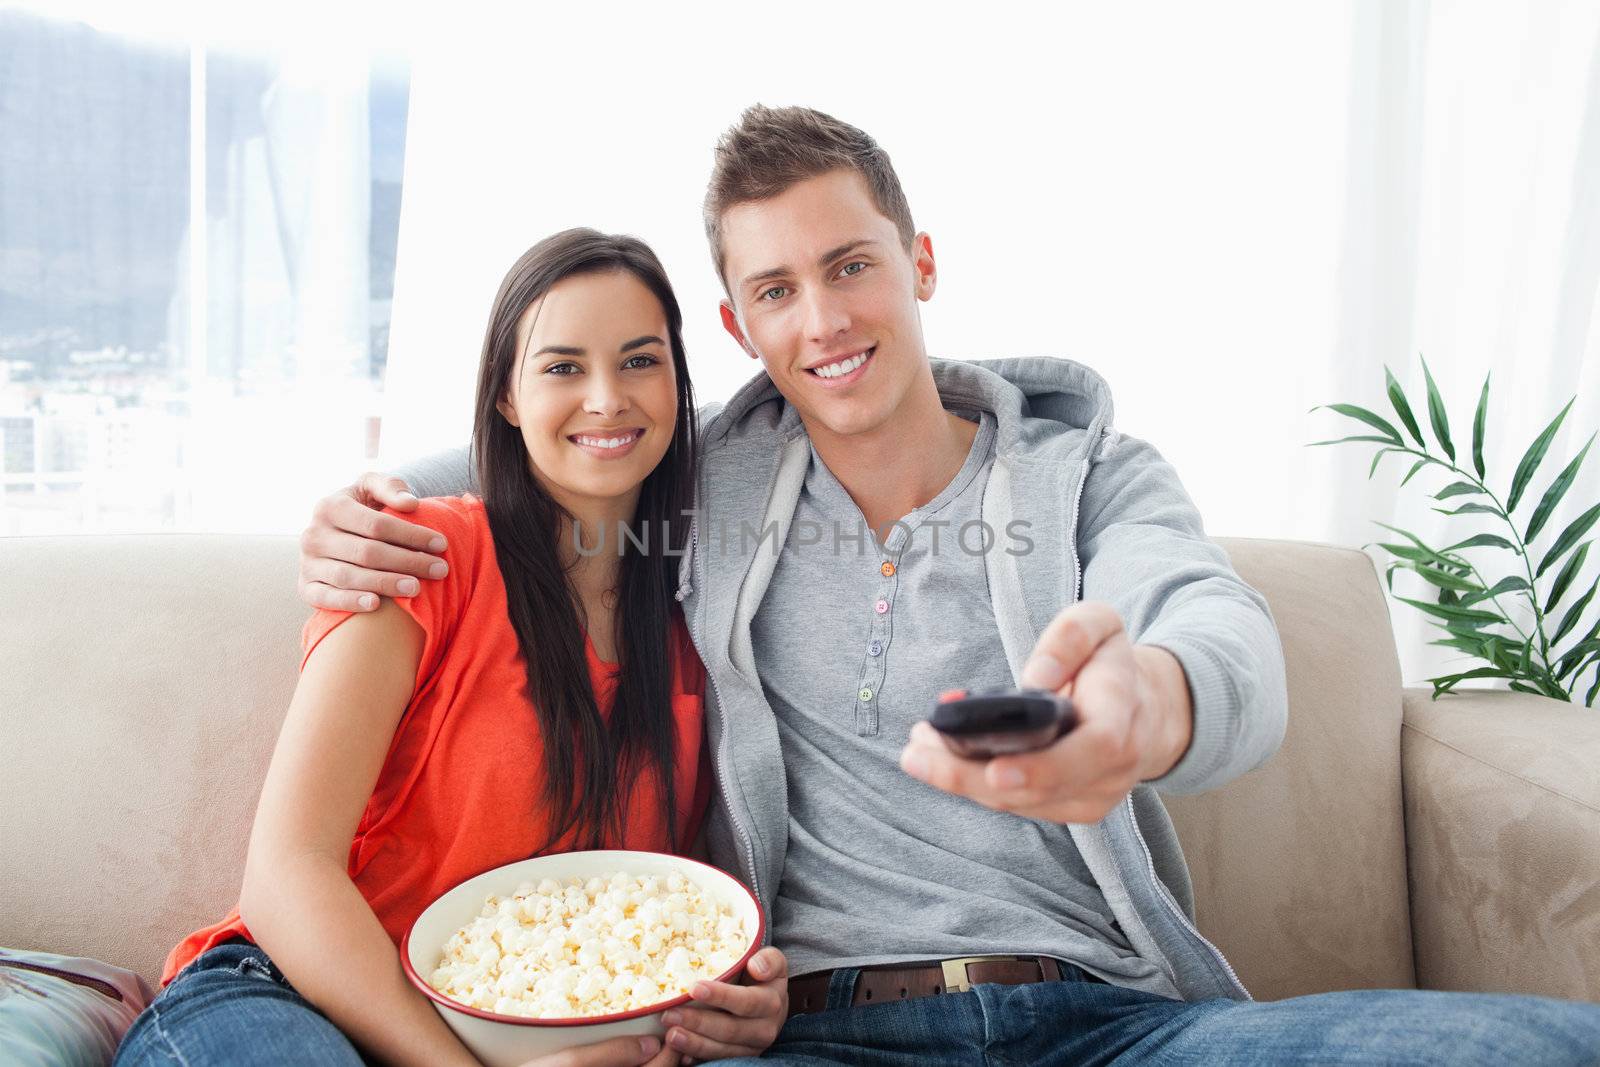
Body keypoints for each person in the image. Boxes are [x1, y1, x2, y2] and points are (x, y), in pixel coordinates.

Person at [295, 109, 1600, 1063]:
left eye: (851, 264)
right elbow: (560, 433)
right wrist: (360, 513)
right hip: (819, 1033)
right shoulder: (712, 484)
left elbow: (1215, 629)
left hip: (1113, 1023)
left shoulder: (1089, 474)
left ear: (919, 261)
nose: (825, 319)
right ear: (740, 325)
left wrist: (1153, 700)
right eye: (777, 290)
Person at [115, 230, 788, 1067]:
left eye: (641, 361)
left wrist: (736, 1002)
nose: (609, 398)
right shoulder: (418, 558)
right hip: (288, 995)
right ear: (506, 397)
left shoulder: (696, 624)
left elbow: (657, 918)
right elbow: (287, 871)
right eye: (563, 367)